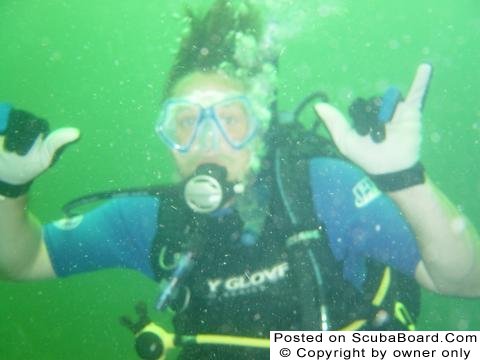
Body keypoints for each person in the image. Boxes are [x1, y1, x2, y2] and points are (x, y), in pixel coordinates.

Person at [1, 1, 479, 359]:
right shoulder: (150, 221)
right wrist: (8, 189)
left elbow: (467, 281)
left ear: (261, 130)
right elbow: (23, 261)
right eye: (186, 122)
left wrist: (404, 179)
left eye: (231, 119)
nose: (207, 141)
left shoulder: (321, 190)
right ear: (168, 139)